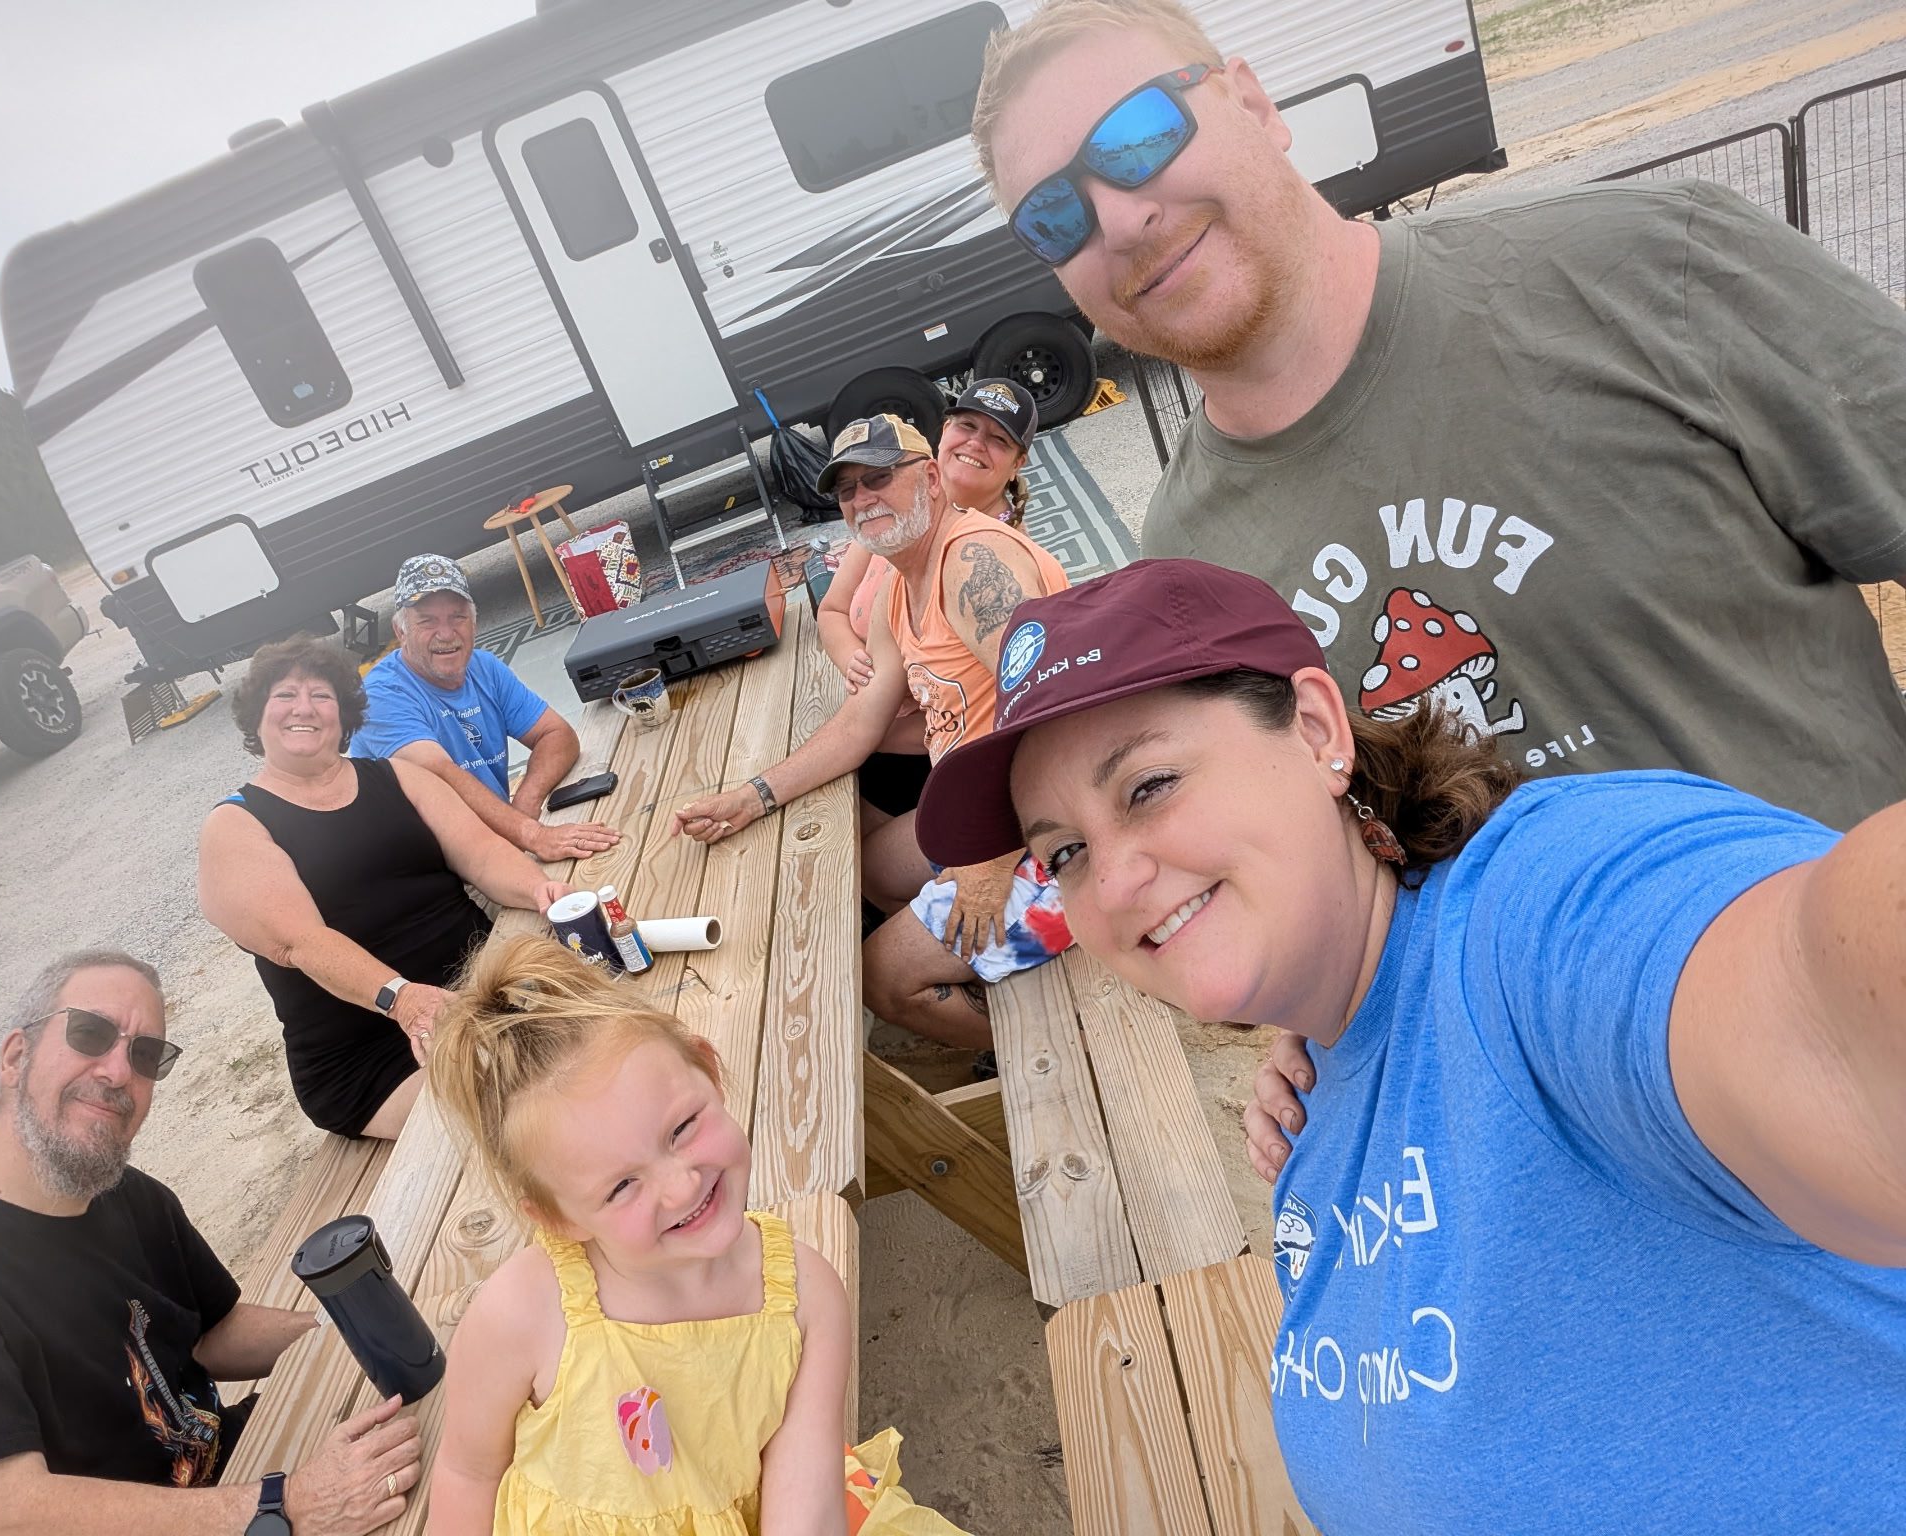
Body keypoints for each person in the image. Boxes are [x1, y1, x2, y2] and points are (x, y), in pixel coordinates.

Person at [972, 0, 1906, 1151]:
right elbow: (1340, 858)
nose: (1118, 216)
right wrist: (1315, 1027)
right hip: (1596, 1167)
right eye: (1054, 215)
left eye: (1134, 137)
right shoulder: (1183, 570)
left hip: (1870, 1043)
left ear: (1252, 102)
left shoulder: (1648, 268)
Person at [915, 558, 1906, 1533]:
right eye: (1065, 852)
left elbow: (1821, 1003)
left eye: (1148, 785)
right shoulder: (1320, 1086)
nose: (1115, 880)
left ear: (1315, 731)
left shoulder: (1534, 911)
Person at [0, 951, 421, 1536]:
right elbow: (1, 1516)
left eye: (146, 1055)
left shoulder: (124, 1194)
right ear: (16, 1057)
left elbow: (211, 1332)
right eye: (90, 1033)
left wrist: (350, 1331)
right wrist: (290, 1506)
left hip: (226, 1483)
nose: (118, 1071)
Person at [421, 935, 968, 1536]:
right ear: (558, 1218)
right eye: (621, 1186)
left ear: (708, 1069)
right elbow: (469, 1473)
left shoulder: (806, 1297)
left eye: (681, 1128)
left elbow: (805, 1499)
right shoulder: (521, 1313)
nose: (681, 1188)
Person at [672, 414, 1071, 1048]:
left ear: (931, 478)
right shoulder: (900, 585)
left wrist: (994, 857)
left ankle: (1054, 1042)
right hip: (980, 808)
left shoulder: (973, 561)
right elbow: (860, 721)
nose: (862, 499)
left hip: (1052, 827)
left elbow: (1057, 705)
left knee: (879, 978)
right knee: (873, 872)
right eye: (846, 489)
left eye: (879, 478)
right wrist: (752, 796)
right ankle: (991, 974)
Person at [199, 635, 561, 1139]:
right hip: (373, 1052)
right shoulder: (235, 826)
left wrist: (543, 891)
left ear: (343, 714)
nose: (304, 707)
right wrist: (403, 999)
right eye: (285, 695)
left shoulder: (398, 776)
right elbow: (301, 942)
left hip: (482, 991)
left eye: (321, 695)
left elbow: (480, 852)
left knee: (599, 1022)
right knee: (530, 1101)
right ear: (257, 716)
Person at [817, 379, 1040, 833]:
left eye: (998, 439)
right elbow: (832, 609)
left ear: (1017, 464)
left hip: (919, 755)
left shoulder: (992, 562)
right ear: (944, 433)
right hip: (866, 725)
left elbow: (1012, 706)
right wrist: (853, 661)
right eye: (966, 425)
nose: (975, 443)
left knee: (836, 844)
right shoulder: (892, 513)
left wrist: (863, 729)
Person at [350, 554, 620, 864]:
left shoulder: (484, 667)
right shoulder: (380, 696)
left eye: (457, 617)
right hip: (426, 865)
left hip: (495, 842)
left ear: (474, 622)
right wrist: (532, 834)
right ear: (401, 632)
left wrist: (525, 803)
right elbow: (440, 777)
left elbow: (557, 735)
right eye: (427, 621)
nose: (446, 634)